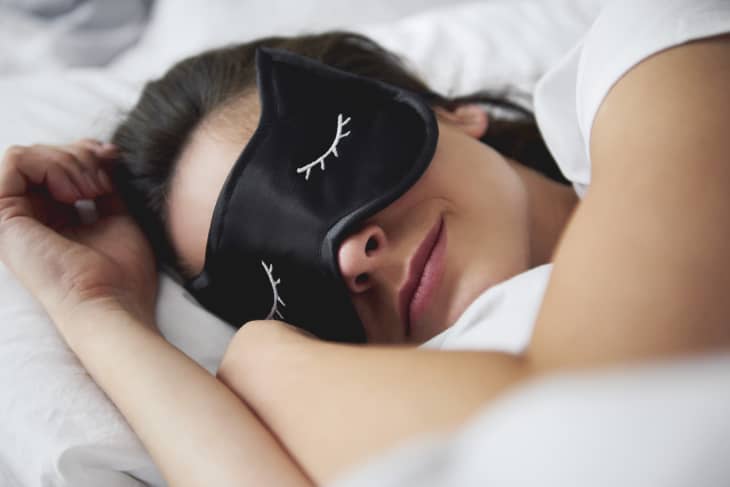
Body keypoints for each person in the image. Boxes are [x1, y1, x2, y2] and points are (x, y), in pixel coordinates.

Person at [0, 0, 728, 485]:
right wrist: (94, 307)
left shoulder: (645, 60)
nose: (349, 255)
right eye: (273, 280)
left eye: (324, 162)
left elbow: (598, 412)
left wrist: (265, 363)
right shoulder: (327, 395)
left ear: (450, 112)